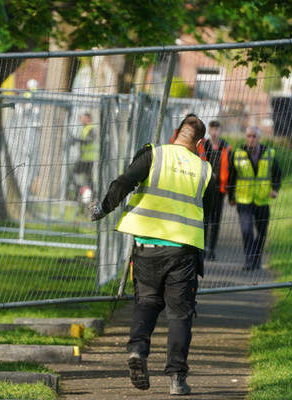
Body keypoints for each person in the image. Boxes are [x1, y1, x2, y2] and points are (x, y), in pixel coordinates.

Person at [89, 114, 217, 396]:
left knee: (145, 302)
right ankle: (176, 379)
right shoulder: (206, 171)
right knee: (180, 315)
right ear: (199, 143)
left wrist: (102, 209)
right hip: (183, 251)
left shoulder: (154, 155)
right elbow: (209, 211)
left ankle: (137, 350)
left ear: (175, 133)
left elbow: (124, 182)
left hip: (147, 247)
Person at [228, 126, 282, 271]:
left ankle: (257, 258)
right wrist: (231, 196)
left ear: (259, 138)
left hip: (263, 199)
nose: (251, 139)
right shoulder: (238, 154)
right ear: (246, 138)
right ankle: (249, 260)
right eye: (249, 136)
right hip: (244, 199)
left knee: (262, 232)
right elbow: (231, 176)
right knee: (247, 231)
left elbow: (277, 173)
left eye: (254, 136)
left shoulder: (269, 153)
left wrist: (275, 189)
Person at [197, 120, 232, 261]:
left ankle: (212, 249)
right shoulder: (203, 146)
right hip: (205, 188)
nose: (214, 132)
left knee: (216, 221)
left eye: (217, 129)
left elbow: (231, 169)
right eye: (212, 129)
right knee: (205, 219)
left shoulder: (226, 147)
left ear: (220, 131)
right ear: (209, 131)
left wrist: (230, 191)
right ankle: (203, 247)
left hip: (220, 189)